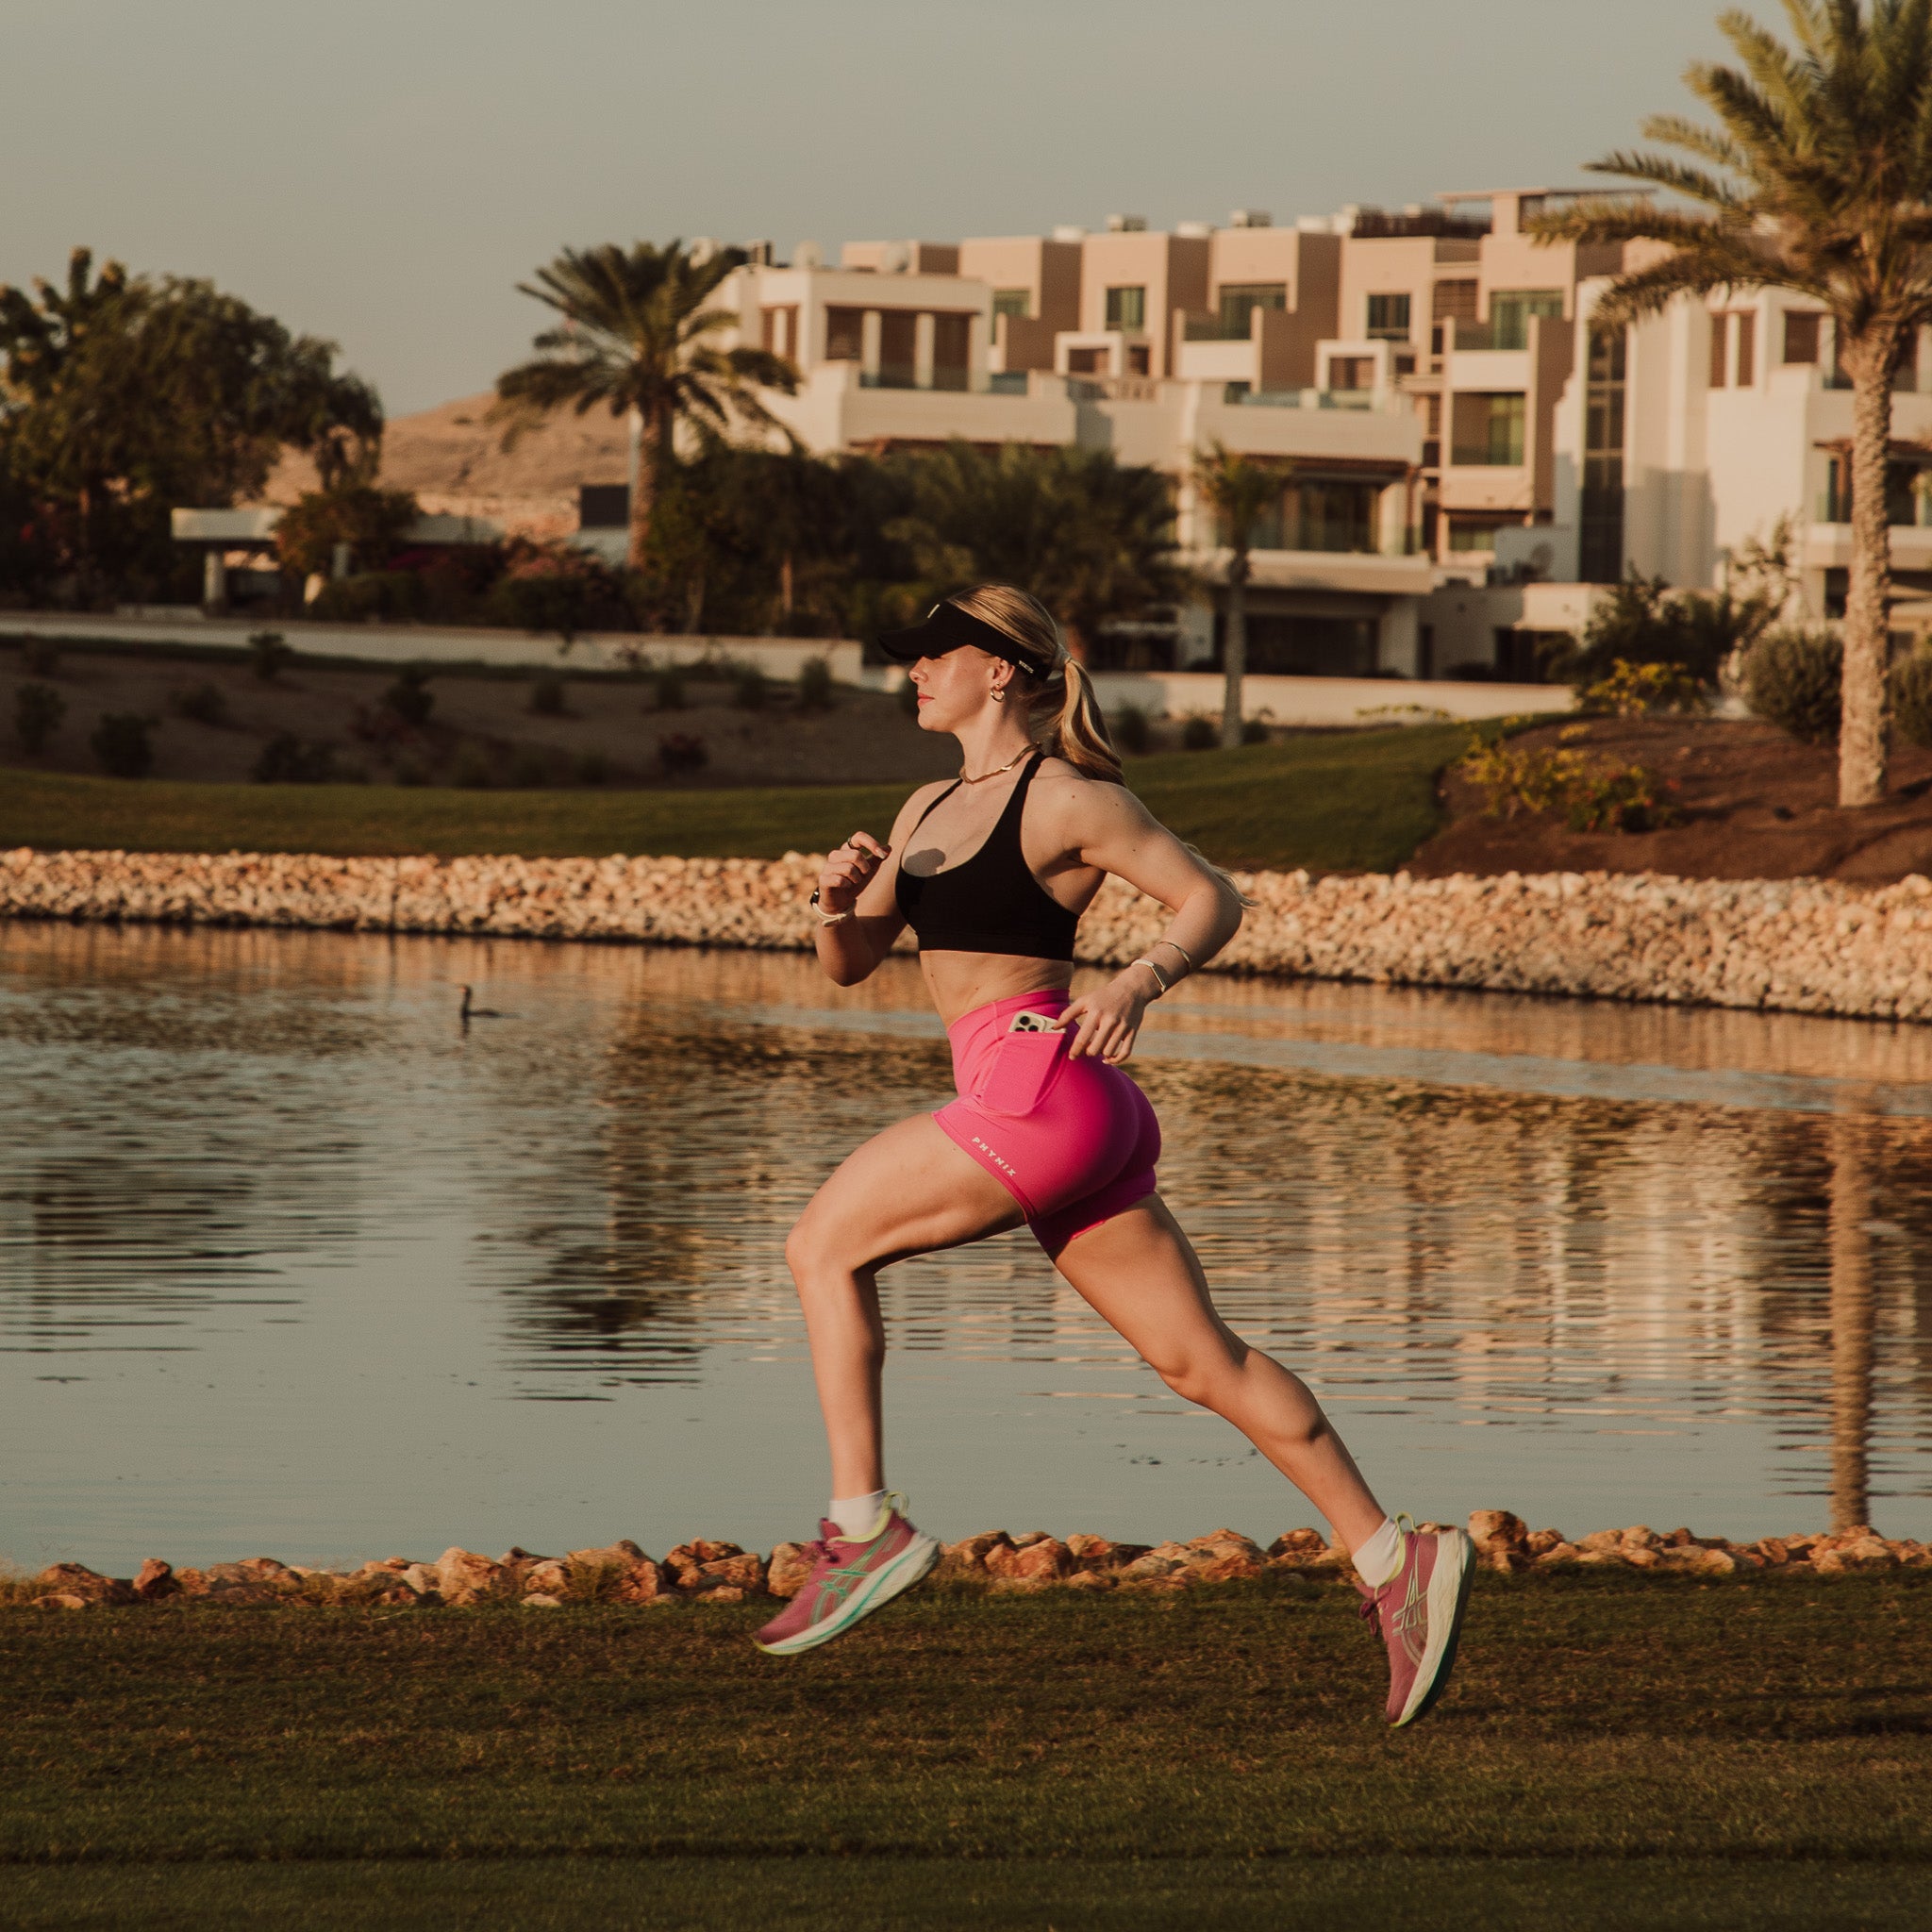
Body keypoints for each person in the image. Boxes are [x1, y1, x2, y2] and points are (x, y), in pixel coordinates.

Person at [753, 585, 1474, 1727]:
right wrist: (831, 900)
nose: (913, 671)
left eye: (934, 655)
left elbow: (1207, 896)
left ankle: (862, 1528)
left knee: (820, 1244)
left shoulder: (1068, 800)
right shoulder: (925, 805)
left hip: (1041, 1087)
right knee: (1202, 1364)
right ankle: (1394, 1557)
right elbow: (848, 961)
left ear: (1000, 671)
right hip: (1064, 1109)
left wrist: (1138, 980)